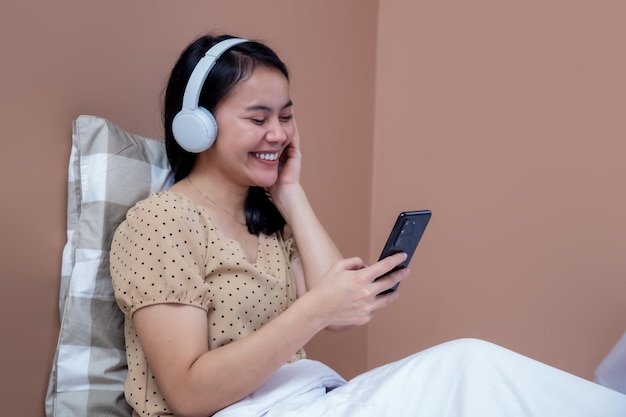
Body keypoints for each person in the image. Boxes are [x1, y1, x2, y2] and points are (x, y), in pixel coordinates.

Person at [110, 34, 626, 417]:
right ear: (196, 124)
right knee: (470, 367)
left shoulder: (269, 222)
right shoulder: (162, 222)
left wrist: (291, 193)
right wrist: (314, 309)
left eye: (286, 116)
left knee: (475, 375)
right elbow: (187, 394)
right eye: (258, 117)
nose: (277, 133)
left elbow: (341, 317)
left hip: (309, 398)